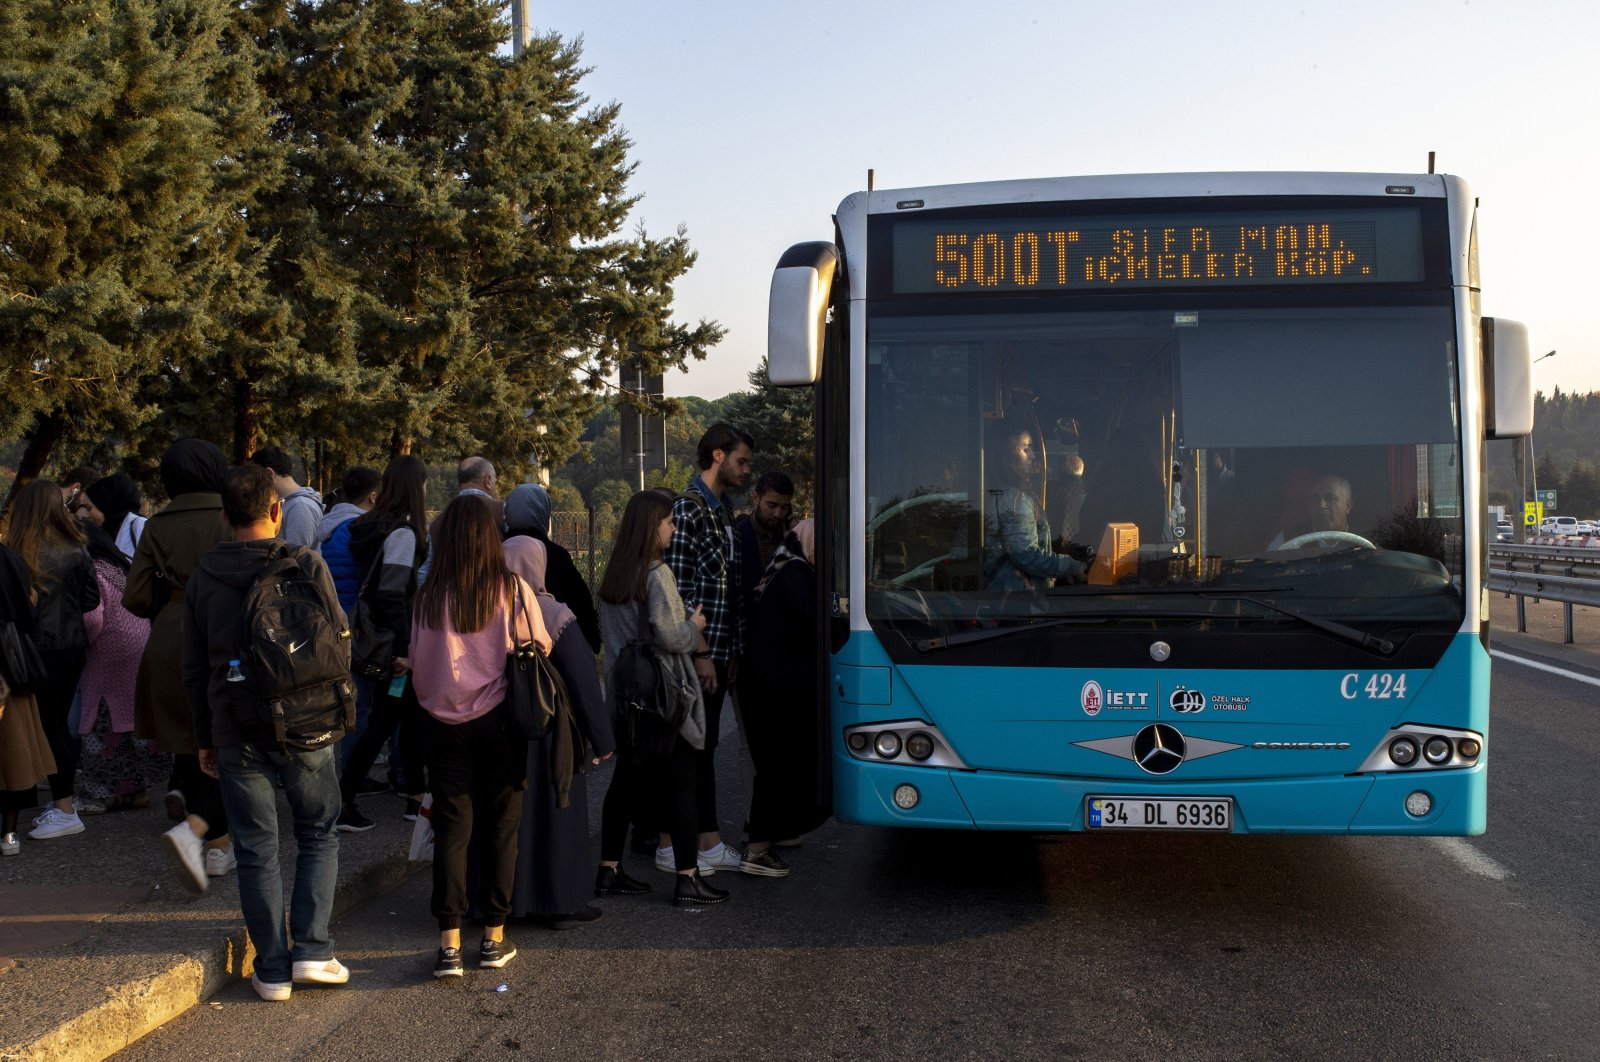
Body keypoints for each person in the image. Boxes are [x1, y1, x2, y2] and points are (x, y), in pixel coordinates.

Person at [179, 463, 350, 1002]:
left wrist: (206, 737)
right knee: (317, 831)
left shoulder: (203, 575)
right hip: (307, 724)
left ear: (226, 516)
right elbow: (338, 641)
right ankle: (314, 952)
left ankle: (272, 968)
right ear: (276, 512)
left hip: (235, 726)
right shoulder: (305, 563)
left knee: (255, 849)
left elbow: (193, 668)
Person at [410, 496, 550, 978]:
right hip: (500, 720)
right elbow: (539, 645)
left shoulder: (427, 595)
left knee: (452, 828)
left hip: (441, 723)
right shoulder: (510, 588)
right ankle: (493, 936)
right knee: (502, 826)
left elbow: (418, 665)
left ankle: (448, 944)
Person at [597, 489, 723, 905]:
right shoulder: (657, 573)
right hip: (662, 700)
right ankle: (688, 878)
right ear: (652, 527)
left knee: (625, 785)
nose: (674, 527)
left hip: (625, 699)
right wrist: (695, 624)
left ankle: (609, 869)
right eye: (669, 521)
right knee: (683, 784)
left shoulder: (615, 574)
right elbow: (669, 635)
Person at [125, 439, 236, 882]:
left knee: (188, 741)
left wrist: (167, 600)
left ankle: (212, 840)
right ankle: (213, 840)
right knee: (227, 739)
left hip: (171, 632)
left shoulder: (158, 524)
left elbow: (134, 594)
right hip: (222, 629)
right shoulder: (230, 515)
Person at [503, 537, 615, 927]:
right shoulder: (551, 612)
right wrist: (603, 739)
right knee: (556, 817)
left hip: (502, 732)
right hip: (552, 733)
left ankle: (507, 902)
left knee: (508, 823)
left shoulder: (487, 607)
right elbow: (584, 678)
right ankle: (559, 902)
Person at [662, 423, 754, 875]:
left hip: (719, 652)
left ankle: (701, 841)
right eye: (741, 460)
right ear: (717, 455)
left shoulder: (723, 510)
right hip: (700, 654)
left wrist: (730, 650)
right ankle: (700, 843)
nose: (746, 469)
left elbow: (728, 586)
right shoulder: (689, 507)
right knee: (696, 746)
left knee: (706, 744)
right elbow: (680, 589)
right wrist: (699, 652)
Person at [4, 479, 101, 840]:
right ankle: (62, 803)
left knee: (42, 726)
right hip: (71, 647)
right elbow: (91, 601)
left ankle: (63, 807)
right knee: (57, 724)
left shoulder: (16, 550)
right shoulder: (77, 547)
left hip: (30, 650)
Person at [339, 456, 429, 830]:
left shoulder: (365, 526)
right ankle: (344, 800)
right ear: (414, 487)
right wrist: (407, 649)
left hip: (371, 634)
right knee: (385, 720)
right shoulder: (403, 533)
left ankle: (416, 797)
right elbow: (392, 592)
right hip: (394, 644)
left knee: (406, 716)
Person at [736, 519, 830, 863]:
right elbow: (811, 620)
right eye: (820, 546)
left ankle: (770, 836)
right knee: (776, 768)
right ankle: (758, 848)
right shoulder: (796, 574)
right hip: (773, 690)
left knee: (777, 767)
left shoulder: (790, 567)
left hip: (771, 685)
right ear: (805, 541)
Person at [76, 521, 166, 814]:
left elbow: (93, 618)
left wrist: (82, 642)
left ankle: (97, 795)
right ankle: (136, 790)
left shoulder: (92, 569)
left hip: (109, 649)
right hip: (138, 642)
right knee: (129, 719)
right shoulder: (121, 565)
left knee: (101, 720)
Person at [320, 466, 380, 767]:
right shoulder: (360, 528)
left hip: (330, 621)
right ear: (372, 496)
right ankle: (353, 772)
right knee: (359, 702)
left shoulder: (329, 524)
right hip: (357, 626)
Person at [0, 542, 57, 857]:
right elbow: (28, 610)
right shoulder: (10, 558)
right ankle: (8, 835)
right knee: (15, 756)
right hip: (12, 666)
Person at [982, 418, 1085, 591]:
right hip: (1017, 600)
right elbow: (1026, 553)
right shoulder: (1015, 499)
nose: (1032, 456)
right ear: (1006, 454)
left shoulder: (994, 492)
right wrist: (1071, 566)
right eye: (1026, 448)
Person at [503, 483, 601, 653]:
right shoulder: (555, 555)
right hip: (554, 651)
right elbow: (581, 605)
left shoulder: (494, 552)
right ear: (544, 513)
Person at [419, 456, 500, 584]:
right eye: (495, 478)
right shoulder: (502, 512)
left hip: (447, 598)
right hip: (496, 597)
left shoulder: (438, 522)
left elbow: (425, 572)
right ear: (488, 480)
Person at [248, 444, 323, 551]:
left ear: (269, 474)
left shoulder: (301, 507)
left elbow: (293, 558)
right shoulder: (289, 503)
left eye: (255, 480)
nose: (254, 486)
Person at [1267, 473, 1355, 549]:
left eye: (1330, 498)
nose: (1321, 505)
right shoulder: (1286, 540)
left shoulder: (1365, 540)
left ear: (1348, 506)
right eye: (1315, 499)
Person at [74, 474, 147, 561]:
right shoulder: (102, 534)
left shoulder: (139, 526)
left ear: (108, 506)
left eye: (88, 507)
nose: (82, 514)